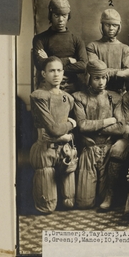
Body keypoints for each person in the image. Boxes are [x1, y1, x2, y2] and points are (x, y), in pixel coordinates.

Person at [73, 59, 126, 210]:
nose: (101, 82)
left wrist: (96, 128)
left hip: (108, 149)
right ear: (88, 77)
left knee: (106, 199)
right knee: (84, 203)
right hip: (89, 150)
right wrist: (108, 120)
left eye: (103, 77)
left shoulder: (114, 97)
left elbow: (121, 127)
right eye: (97, 78)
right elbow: (82, 125)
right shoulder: (78, 97)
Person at [29, 56, 78, 213]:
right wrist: (71, 124)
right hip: (46, 150)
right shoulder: (39, 96)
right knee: (47, 207)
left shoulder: (68, 98)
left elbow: (61, 130)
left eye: (59, 70)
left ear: (63, 73)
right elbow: (54, 129)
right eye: (51, 71)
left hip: (65, 149)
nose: (56, 74)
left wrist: (67, 137)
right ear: (44, 74)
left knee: (69, 203)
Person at [32, 0, 87, 93]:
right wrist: (68, 60)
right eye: (56, 15)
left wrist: (51, 66)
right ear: (50, 15)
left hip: (71, 87)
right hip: (47, 89)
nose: (61, 19)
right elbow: (40, 64)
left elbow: (83, 65)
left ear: (68, 16)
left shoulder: (77, 40)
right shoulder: (39, 39)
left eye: (64, 15)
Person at [86, 8, 129, 94]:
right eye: (107, 25)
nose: (111, 28)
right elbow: (95, 70)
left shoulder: (124, 48)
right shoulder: (92, 46)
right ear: (102, 26)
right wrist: (119, 73)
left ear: (119, 27)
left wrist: (114, 73)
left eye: (114, 25)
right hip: (97, 92)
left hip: (119, 92)